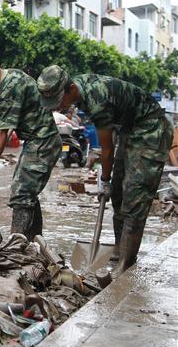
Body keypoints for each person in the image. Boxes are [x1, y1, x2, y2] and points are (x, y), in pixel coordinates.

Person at [37, 65, 171, 274]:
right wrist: (110, 183)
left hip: (151, 128)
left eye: (58, 100)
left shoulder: (96, 100)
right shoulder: (78, 89)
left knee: (135, 196)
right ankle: (118, 251)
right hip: (129, 128)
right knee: (118, 194)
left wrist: (104, 180)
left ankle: (126, 263)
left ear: (70, 88)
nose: (58, 106)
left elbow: (106, 150)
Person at [0, 47, 60, 239]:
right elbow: (5, 129)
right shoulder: (6, 83)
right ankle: (33, 241)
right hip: (35, 140)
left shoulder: (10, 85)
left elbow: (2, 130)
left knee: (21, 192)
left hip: (43, 140)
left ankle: (16, 245)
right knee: (26, 191)